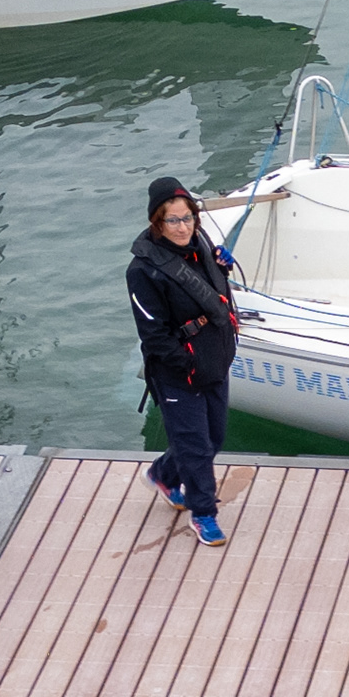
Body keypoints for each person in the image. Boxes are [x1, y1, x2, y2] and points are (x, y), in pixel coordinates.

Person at [128, 175, 237, 548]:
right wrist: (187, 365)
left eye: (187, 217)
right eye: (172, 220)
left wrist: (222, 266)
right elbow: (153, 335)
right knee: (197, 448)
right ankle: (203, 513)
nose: (182, 227)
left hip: (215, 362)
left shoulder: (203, 247)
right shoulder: (143, 271)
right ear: (156, 222)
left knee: (215, 437)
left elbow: (211, 296)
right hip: (178, 375)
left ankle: (162, 473)